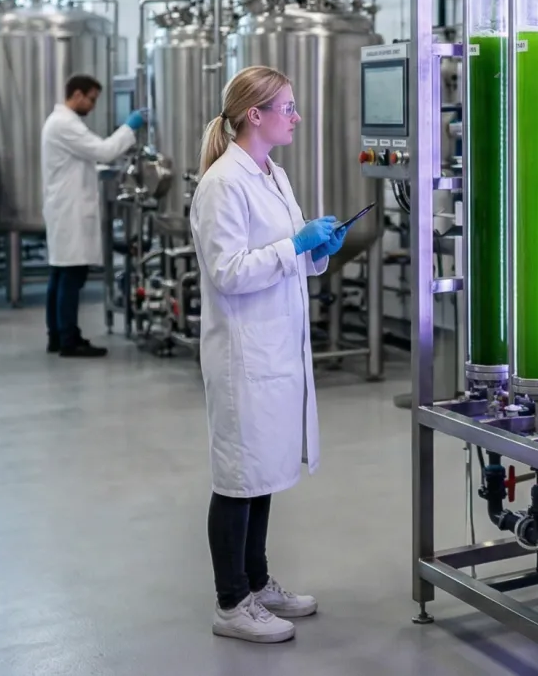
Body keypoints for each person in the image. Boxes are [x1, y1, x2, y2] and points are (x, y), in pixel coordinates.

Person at [192, 65, 348, 643]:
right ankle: (231, 603)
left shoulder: (272, 173)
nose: (297, 117)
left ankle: (256, 583)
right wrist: (293, 245)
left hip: (276, 349)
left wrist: (316, 249)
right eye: (287, 107)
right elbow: (228, 272)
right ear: (254, 115)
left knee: (261, 473)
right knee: (238, 477)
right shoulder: (223, 183)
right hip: (243, 355)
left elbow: (286, 254)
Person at [39, 73, 145, 358]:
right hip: (69, 210)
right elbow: (104, 151)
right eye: (91, 99)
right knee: (71, 275)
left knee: (60, 274)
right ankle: (69, 340)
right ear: (77, 95)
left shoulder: (60, 123)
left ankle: (56, 336)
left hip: (64, 207)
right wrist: (130, 126)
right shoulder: (64, 124)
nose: (93, 105)